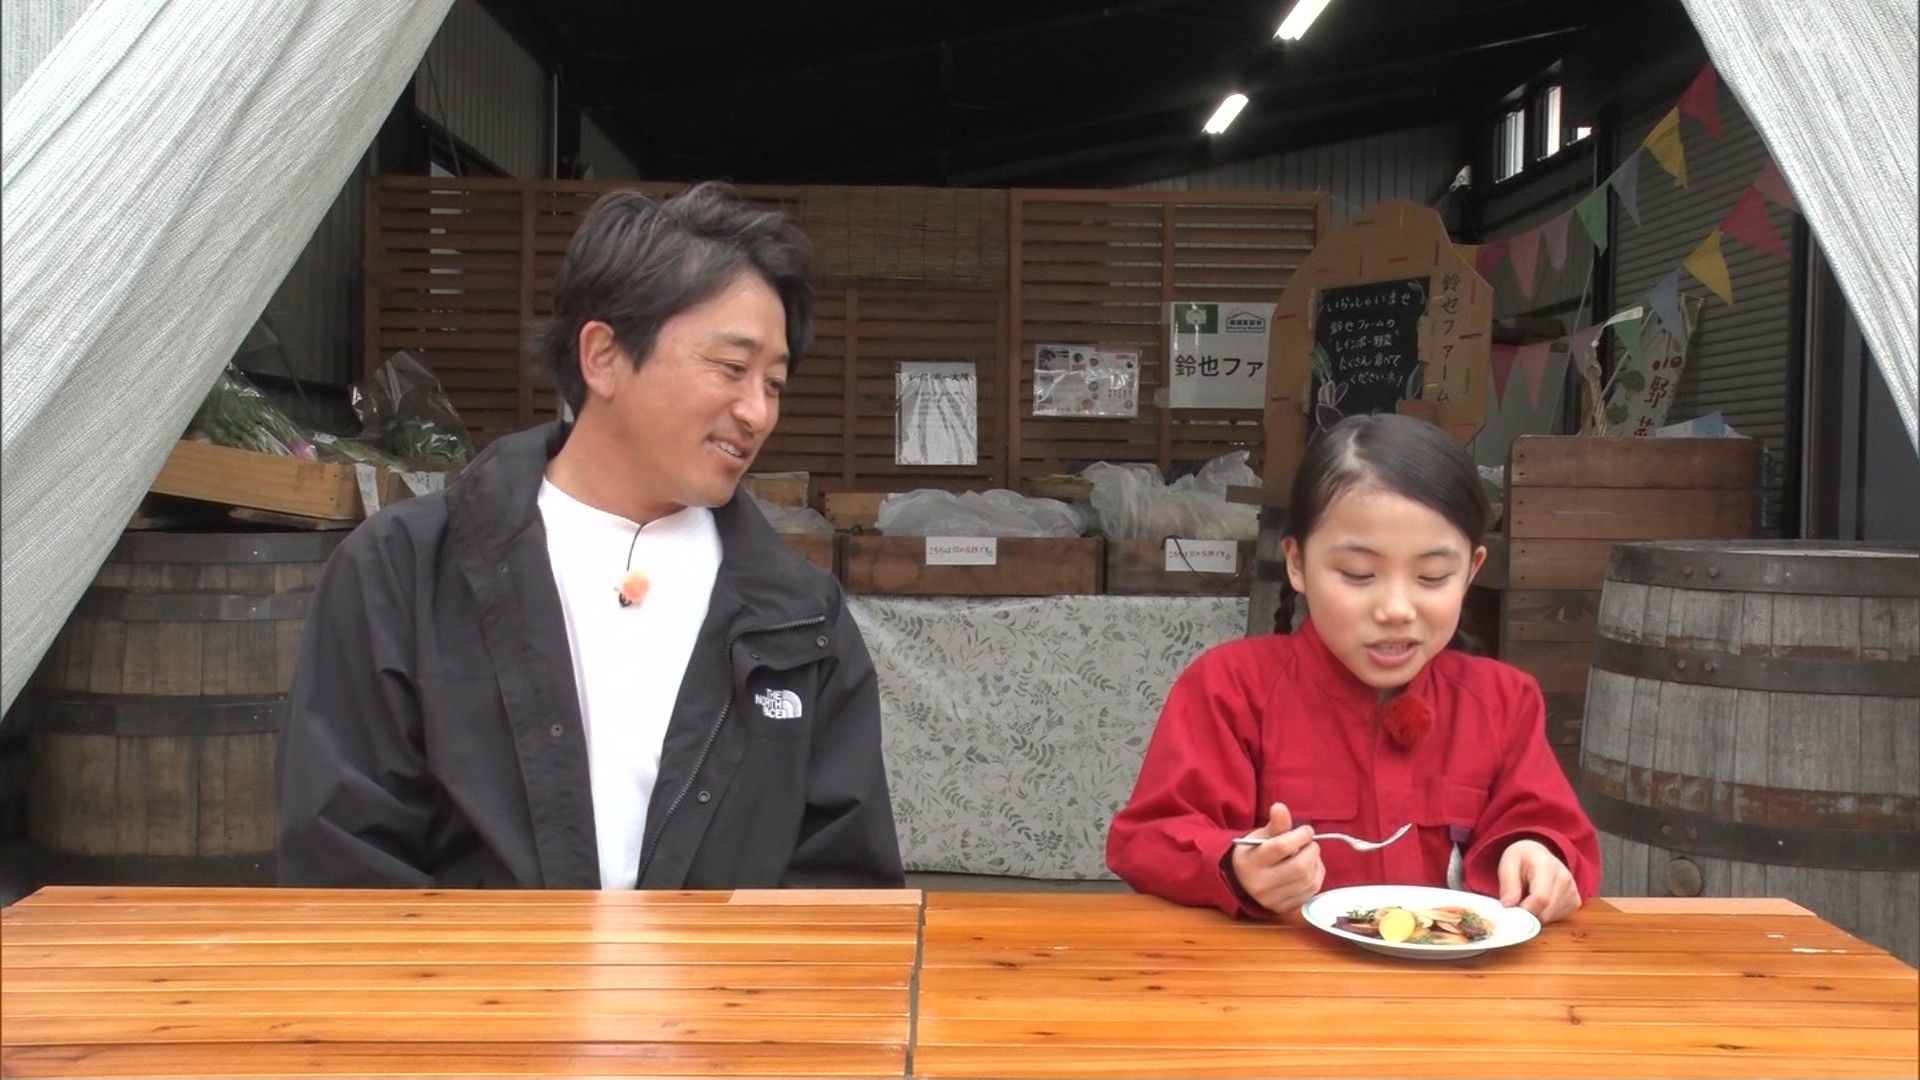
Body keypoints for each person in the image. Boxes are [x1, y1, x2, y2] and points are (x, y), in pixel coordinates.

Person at [276, 183, 904, 891]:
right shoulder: (403, 571)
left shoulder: (800, 618)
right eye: (732, 369)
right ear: (603, 355)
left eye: (776, 383)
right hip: (466, 970)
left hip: (728, 972)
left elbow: (842, 890)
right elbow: (345, 863)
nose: (757, 413)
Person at [1106, 413, 1599, 922]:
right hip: (1277, 970)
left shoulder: (1503, 701)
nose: (1396, 609)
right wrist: (1235, 867)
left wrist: (1538, 855)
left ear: (1471, 571)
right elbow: (1149, 840)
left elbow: (1554, 832)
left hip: (1456, 970)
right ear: (1297, 564)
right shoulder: (1230, 689)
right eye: (1359, 574)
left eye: (1432, 577)